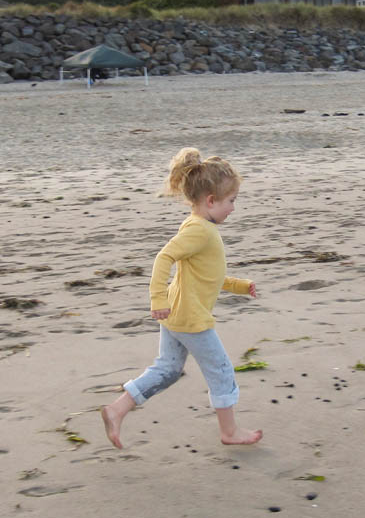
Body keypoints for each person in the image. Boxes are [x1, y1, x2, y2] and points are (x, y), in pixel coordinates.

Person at [101, 147, 263, 448]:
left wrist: (240, 286)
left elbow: (206, 276)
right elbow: (164, 257)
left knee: (168, 369)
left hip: (177, 315)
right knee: (222, 371)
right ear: (211, 201)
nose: (233, 208)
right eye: (231, 201)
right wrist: (157, 299)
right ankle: (229, 432)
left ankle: (117, 409)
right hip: (189, 319)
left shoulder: (196, 226)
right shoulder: (201, 232)